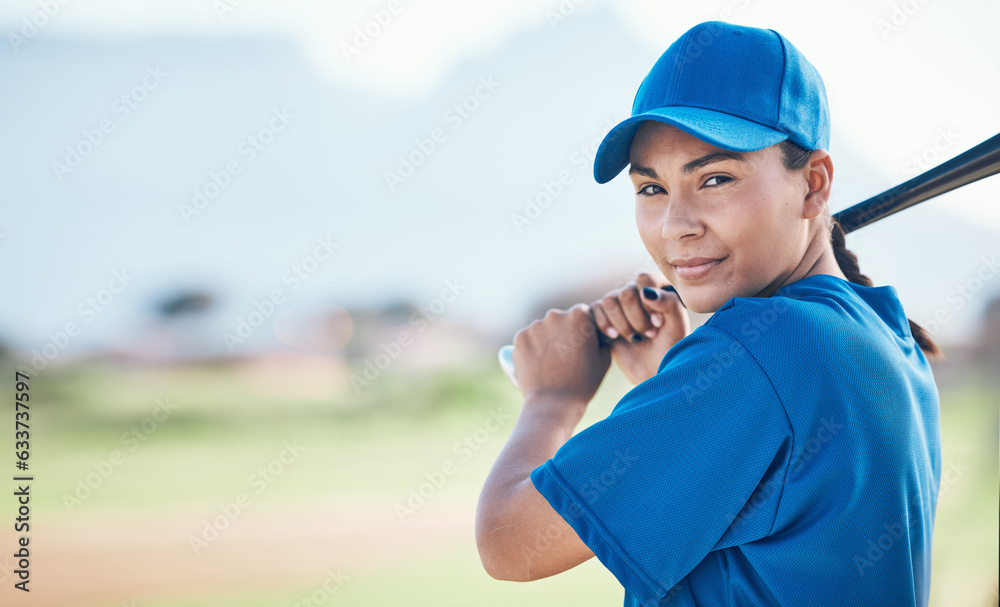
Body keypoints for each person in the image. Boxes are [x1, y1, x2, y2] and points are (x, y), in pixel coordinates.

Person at [475, 21, 942, 606]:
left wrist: (552, 398)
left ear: (814, 185)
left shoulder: (757, 352)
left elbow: (509, 542)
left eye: (715, 178)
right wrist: (673, 377)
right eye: (651, 190)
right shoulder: (880, 328)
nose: (676, 225)